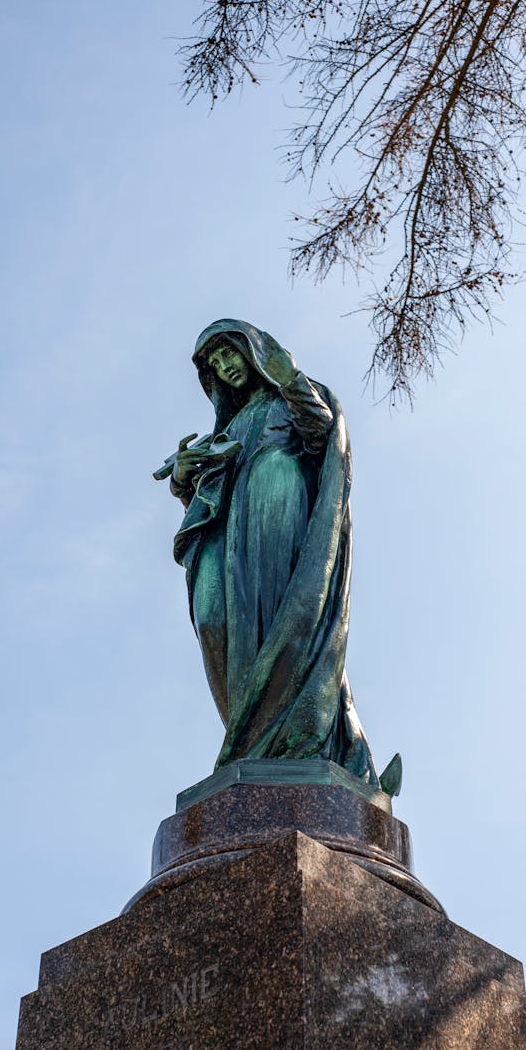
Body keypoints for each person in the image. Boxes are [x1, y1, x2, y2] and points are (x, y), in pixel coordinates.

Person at [160, 318, 399, 795]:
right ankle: (256, 742)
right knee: (215, 624)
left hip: (278, 516)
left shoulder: (290, 399)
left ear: (253, 351)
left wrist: (289, 378)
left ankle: (319, 749)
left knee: (289, 625)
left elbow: (323, 433)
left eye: (230, 353)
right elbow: (208, 503)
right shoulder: (225, 431)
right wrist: (184, 479)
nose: (225, 367)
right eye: (214, 364)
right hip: (228, 541)